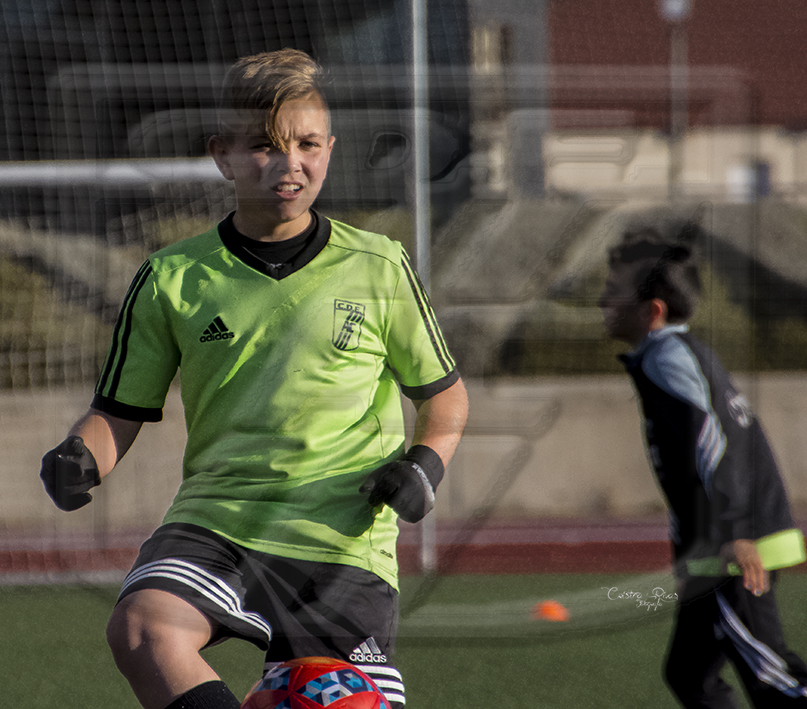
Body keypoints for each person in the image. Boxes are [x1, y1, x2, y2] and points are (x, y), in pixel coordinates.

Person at [39, 48, 468, 709]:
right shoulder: (172, 277)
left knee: (338, 699)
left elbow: (445, 398)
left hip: (339, 538)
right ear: (223, 154)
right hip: (216, 520)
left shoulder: (379, 265)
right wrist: (80, 456)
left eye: (307, 144)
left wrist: (423, 465)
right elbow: (117, 410)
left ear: (330, 149)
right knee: (143, 628)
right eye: (264, 145)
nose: (289, 163)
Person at [599, 220, 807, 708]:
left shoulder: (668, 358)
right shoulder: (672, 353)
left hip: (732, 547)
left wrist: (734, 532)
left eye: (613, 292)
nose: (602, 301)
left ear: (652, 310)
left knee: (773, 677)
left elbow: (713, 444)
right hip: (719, 542)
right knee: (690, 674)